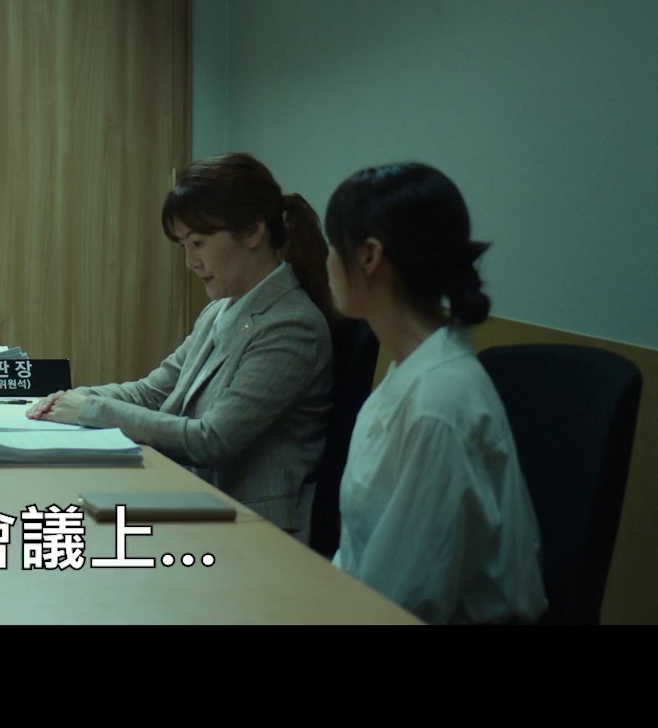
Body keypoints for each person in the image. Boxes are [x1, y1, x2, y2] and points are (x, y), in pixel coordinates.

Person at [28, 153, 334, 539]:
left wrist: (92, 410)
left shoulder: (291, 324)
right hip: (194, 499)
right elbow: (153, 391)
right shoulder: (221, 310)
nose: (190, 261)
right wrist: (76, 397)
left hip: (252, 527)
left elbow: (212, 439)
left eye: (198, 242)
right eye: (183, 245)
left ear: (254, 232)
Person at [323, 162, 546, 624]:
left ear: (368, 256)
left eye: (333, 246)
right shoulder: (410, 372)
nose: (327, 262)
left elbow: (404, 602)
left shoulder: (438, 403)